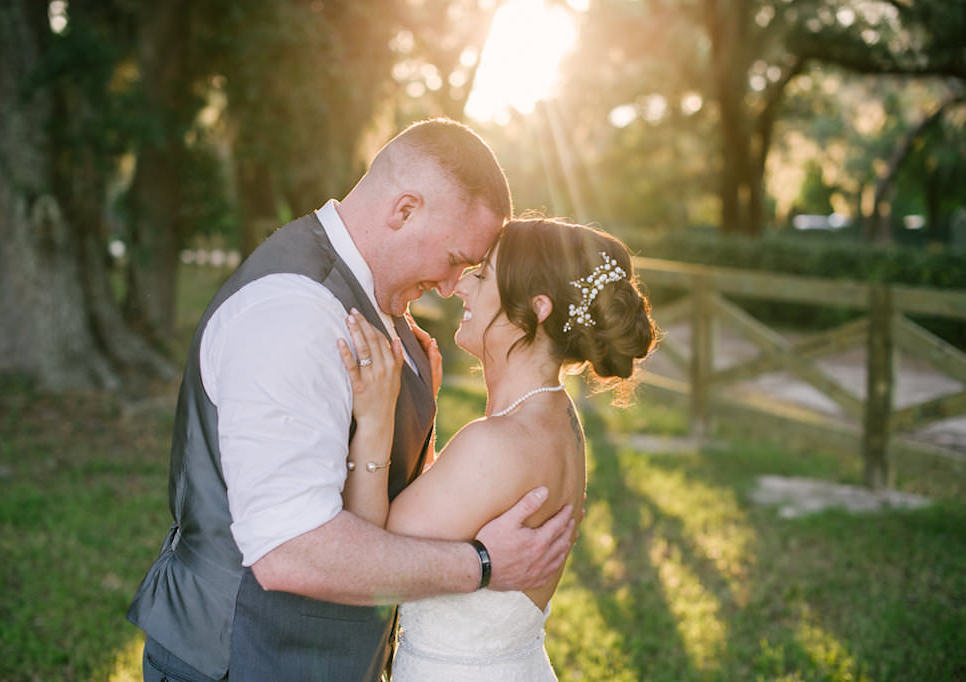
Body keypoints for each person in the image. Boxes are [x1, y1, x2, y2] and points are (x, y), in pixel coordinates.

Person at [127, 119, 577, 682]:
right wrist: (483, 565)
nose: (449, 285)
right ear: (405, 210)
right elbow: (290, 550)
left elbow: (398, 497)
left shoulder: (384, 303)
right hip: (241, 661)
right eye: (456, 258)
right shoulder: (290, 314)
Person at [338, 217, 658, 680]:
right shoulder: (557, 419)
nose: (463, 288)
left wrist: (374, 419)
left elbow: (371, 558)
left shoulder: (496, 444)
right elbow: (450, 516)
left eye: (484, 275)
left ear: (537, 309)